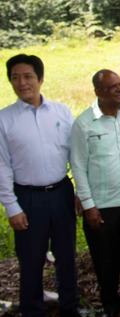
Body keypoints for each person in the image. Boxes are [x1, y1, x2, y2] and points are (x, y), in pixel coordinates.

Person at [0, 54, 79, 317]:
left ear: (40, 79)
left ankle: (70, 307)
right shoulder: (5, 120)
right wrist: (12, 207)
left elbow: (74, 154)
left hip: (61, 192)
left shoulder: (61, 112)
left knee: (66, 256)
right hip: (27, 198)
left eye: (28, 76)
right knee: (31, 260)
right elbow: (1, 166)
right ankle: (32, 310)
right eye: (15, 78)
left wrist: (80, 191)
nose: (22, 83)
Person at [70, 69, 120, 316]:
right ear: (99, 92)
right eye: (114, 87)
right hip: (102, 205)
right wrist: (89, 205)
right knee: (106, 261)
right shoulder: (84, 123)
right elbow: (78, 166)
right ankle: (111, 306)